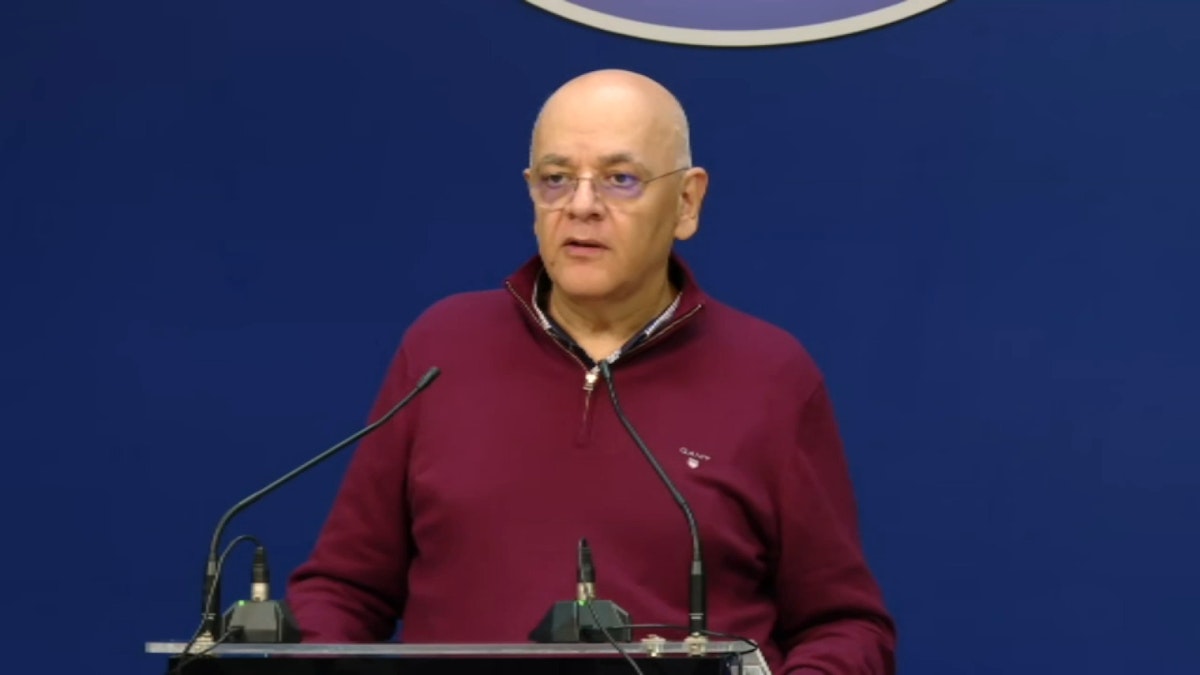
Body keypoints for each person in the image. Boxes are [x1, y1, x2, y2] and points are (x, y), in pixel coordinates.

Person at [286, 68, 897, 675]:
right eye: (556, 179)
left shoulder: (770, 375)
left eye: (620, 179)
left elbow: (843, 627)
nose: (581, 207)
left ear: (686, 202)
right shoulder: (442, 347)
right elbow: (343, 591)